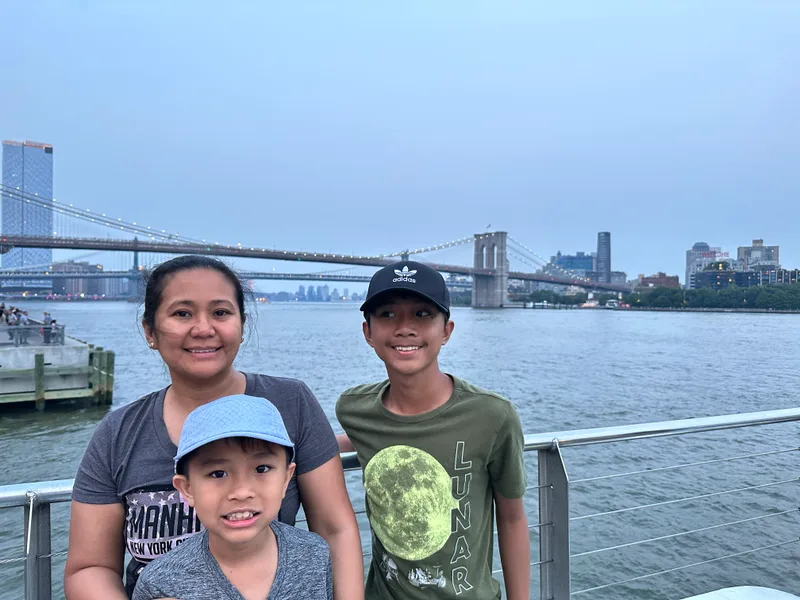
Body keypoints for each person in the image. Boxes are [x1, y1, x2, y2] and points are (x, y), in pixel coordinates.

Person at [65, 255, 363, 600]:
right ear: (150, 331)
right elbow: (90, 567)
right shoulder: (118, 432)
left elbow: (335, 528)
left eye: (220, 313)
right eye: (182, 313)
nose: (204, 329)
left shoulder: (291, 402)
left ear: (241, 323)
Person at [336, 261, 530, 600]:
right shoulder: (354, 410)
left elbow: (512, 520)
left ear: (447, 331)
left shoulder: (492, 416)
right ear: (368, 332)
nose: (405, 328)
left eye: (423, 314)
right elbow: (362, 440)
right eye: (387, 314)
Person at [133, 394, 332, 600]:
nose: (241, 492)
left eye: (261, 468)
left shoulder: (315, 555)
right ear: (187, 489)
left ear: (285, 479)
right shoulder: (160, 584)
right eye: (218, 473)